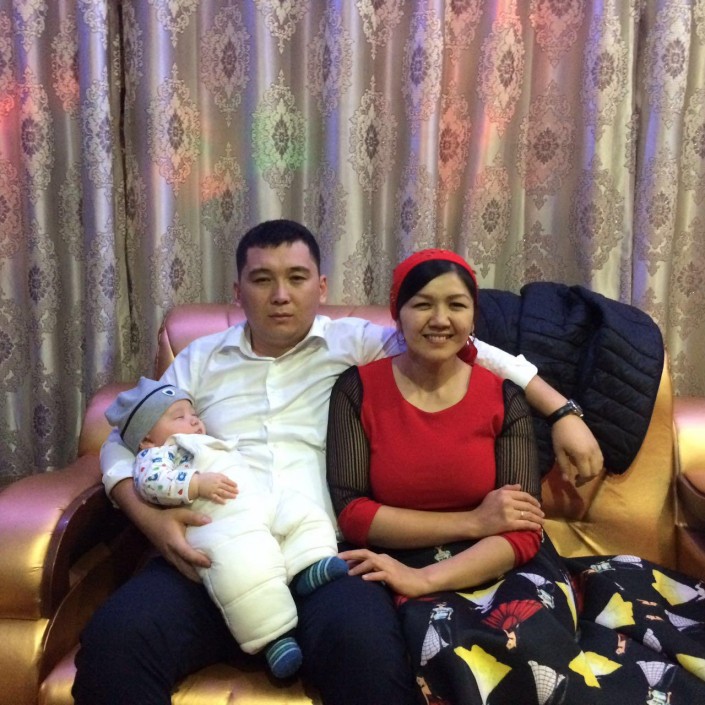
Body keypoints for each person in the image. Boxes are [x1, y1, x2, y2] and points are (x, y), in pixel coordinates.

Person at [73, 220, 603, 705]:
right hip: (211, 553)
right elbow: (121, 442)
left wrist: (562, 411)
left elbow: (463, 347)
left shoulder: (356, 344)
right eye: (262, 280)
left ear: (321, 286)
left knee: (371, 660)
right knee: (114, 645)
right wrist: (148, 518)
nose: (281, 295)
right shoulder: (200, 359)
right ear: (237, 291)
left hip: (323, 560)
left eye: (296, 278)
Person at [326, 249, 705, 705]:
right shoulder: (357, 389)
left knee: (525, 642)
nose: (440, 319)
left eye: (456, 305)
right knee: (447, 652)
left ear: (473, 317)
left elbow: (522, 531)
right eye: (422, 304)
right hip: (398, 557)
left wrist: (426, 579)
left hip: (500, 561)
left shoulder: (504, 397)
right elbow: (354, 514)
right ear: (398, 313)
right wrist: (468, 525)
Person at [104, 377, 349, 679]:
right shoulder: (158, 454)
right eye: (179, 417)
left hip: (260, 501)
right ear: (146, 439)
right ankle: (273, 637)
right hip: (222, 523)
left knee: (305, 514)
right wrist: (193, 485)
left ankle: (307, 566)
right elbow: (150, 482)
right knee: (242, 575)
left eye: (194, 414)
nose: (194, 420)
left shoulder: (202, 442)